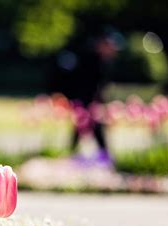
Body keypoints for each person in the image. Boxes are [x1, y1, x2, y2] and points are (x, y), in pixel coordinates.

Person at [49, 28, 121, 167]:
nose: (113, 50)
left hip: (89, 99)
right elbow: (83, 82)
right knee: (87, 125)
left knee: (89, 126)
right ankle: (101, 155)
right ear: (102, 44)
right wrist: (88, 102)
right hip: (82, 98)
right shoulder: (90, 59)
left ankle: (91, 154)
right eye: (110, 46)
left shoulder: (103, 61)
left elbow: (101, 86)